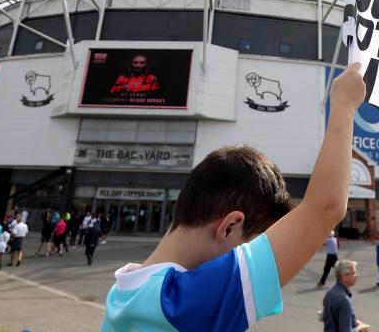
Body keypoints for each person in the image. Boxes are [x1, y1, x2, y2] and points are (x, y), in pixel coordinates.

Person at [100, 63, 365, 331]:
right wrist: (343, 105)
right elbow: (326, 206)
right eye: (253, 245)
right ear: (230, 226)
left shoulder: (120, 294)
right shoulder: (180, 304)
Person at [321, 260, 369, 332]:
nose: (357, 275)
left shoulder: (330, 292)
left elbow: (334, 319)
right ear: (344, 277)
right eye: (354, 273)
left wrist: (353, 321)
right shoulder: (344, 300)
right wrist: (361, 329)